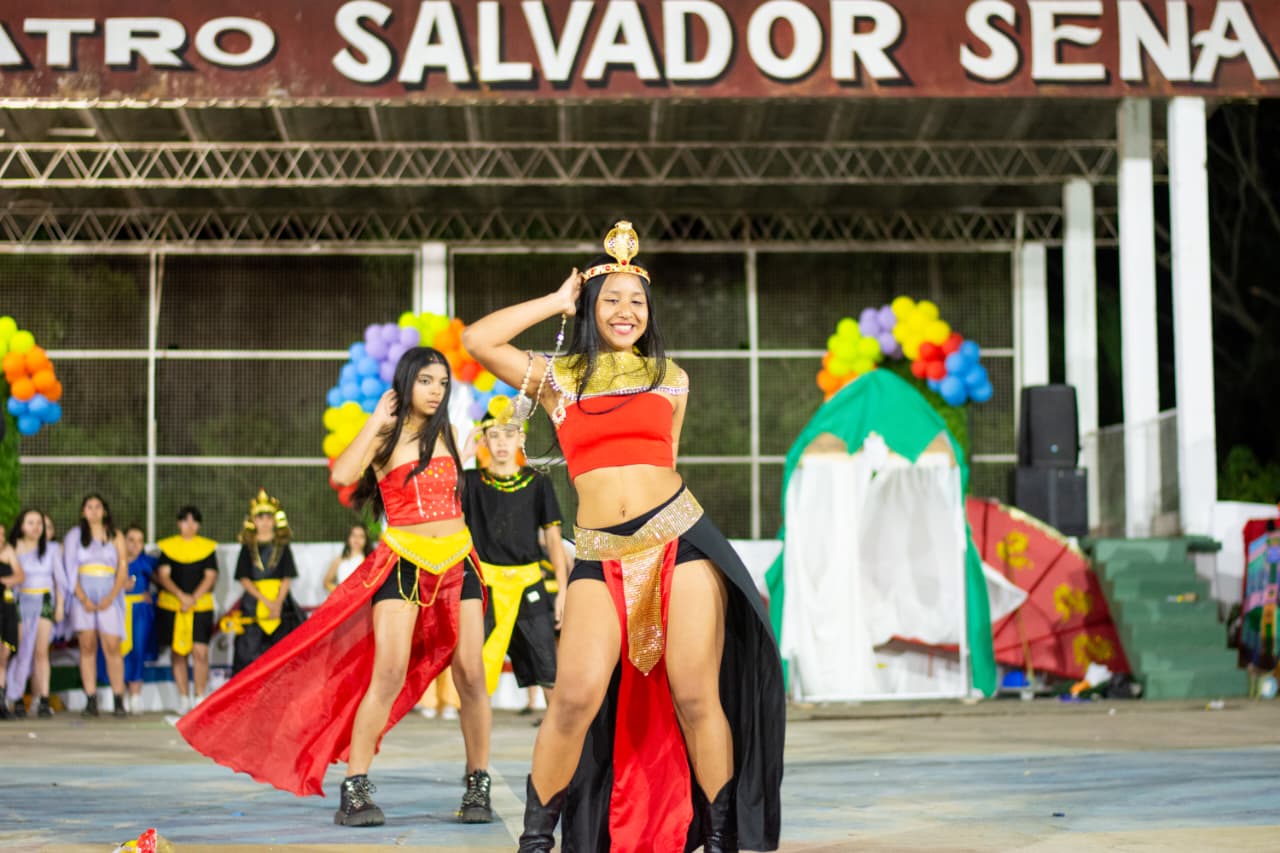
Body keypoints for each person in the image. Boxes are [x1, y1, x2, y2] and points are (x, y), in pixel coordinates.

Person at [462, 220, 785, 852]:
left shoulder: (672, 378)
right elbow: (478, 339)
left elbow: (668, 458)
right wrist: (556, 300)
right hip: (599, 551)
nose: (625, 310)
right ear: (589, 306)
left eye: (637, 300)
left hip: (679, 540)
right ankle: (535, 842)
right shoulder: (557, 377)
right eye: (610, 299)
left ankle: (721, 840)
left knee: (696, 695)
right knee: (573, 699)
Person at [178, 347, 494, 829]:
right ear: (405, 383)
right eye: (426, 381)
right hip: (405, 562)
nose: (436, 391)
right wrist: (375, 422)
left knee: (471, 672)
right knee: (388, 673)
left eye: (443, 383)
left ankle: (477, 780)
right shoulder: (384, 435)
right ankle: (356, 787)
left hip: (459, 561)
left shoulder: (448, 433)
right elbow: (343, 475)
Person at [462, 396, 567, 704]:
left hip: (529, 586)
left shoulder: (537, 483)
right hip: (485, 588)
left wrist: (563, 590)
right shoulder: (469, 483)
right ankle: (476, 736)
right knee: (473, 671)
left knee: (549, 670)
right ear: (484, 439)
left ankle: (560, 735)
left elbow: (554, 540)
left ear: (521, 438)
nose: (502, 442)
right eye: (494, 435)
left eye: (509, 434)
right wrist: (464, 454)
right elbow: (439, 499)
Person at [64, 494, 130, 718]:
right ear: (83, 512)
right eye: (89, 507)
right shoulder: (75, 536)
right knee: (87, 645)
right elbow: (69, 568)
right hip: (83, 595)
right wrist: (82, 597)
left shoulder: (116, 536)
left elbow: (122, 569)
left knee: (112, 645)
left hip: (109, 593)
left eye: (98, 506)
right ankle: (90, 699)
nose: (94, 511)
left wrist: (111, 596)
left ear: (105, 511)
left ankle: (118, 698)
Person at [230, 490, 305, 675]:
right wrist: (265, 601)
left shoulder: (283, 546)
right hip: (254, 602)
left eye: (268, 518)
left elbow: (287, 577)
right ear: (254, 521)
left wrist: (277, 604)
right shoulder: (247, 547)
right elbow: (244, 578)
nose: (264, 522)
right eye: (260, 518)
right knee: (250, 653)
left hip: (281, 602)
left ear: (274, 520)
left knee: (283, 651)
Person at [153, 506, 219, 713]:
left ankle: (200, 697)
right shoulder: (168, 547)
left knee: (200, 652)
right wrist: (181, 596)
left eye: (194, 521)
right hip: (174, 606)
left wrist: (192, 598)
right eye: (185, 521)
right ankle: (183, 698)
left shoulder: (207, 548)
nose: (189, 525)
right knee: (177, 652)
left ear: (199, 524)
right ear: (178, 523)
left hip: (200, 607)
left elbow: (210, 576)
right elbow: (163, 575)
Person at [4, 510, 62, 719]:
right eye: (31, 522)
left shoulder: (52, 549)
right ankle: (16, 697)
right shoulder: (12, 548)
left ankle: (43, 699)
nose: (36, 527)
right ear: (21, 526)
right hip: (21, 603)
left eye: (39, 523)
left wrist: (60, 606)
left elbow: (59, 580)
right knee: (21, 651)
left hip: (44, 601)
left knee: (41, 652)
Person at [96, 524, 157, 715]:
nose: (135, 545)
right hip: (116, 608)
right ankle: (117, 694)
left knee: (138, 650)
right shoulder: (112, 560)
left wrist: (152, 598)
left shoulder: (147, 563)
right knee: (114, 650)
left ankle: (136, 696)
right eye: (131, 540)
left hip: (139, 611)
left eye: (140, 541)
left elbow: (162, 582)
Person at [0, 535, 23, 718]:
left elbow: (20, 575)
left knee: (4, 654)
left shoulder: (8, 551)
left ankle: (1, 701)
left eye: (2, 534)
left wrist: (5, 581)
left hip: (6, 607)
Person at [323, 524, 371, 593]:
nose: (357, 539)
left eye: (361, 536)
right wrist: (341, 592)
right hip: (343, 598)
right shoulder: (339, 560)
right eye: (354, 535)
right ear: (348, 538)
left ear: (366, 540)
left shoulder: (370, 561)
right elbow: (326, 582)